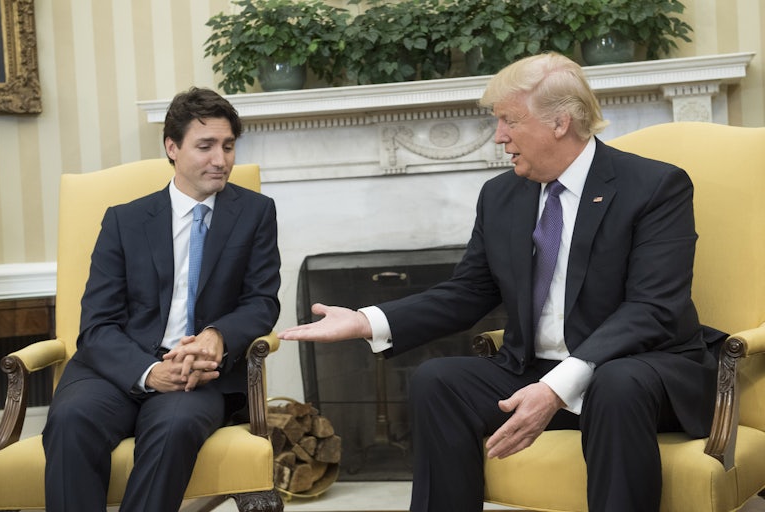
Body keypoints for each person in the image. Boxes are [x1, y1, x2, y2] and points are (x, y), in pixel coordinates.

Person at [280, 52, 720, 512]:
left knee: (615, 382)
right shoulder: (501, 195)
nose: (499, 136)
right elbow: (469, 291)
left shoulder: (654, 186)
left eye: (510, 120)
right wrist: (366, 321)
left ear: (560, 123)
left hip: (638, 370)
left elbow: (652, 308)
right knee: (438, 381)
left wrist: (556, 388)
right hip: (535, 368)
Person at [42, 87, 281, 512]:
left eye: (228, 146)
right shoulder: (124, 220)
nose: (221, 159)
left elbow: (262, 301)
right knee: (72, 418)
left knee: (174, 427)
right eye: (205, 146)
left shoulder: (256, 213)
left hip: (199, 375)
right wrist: (149, 372)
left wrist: (217, 336)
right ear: (172, 147)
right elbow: (97, 325)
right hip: (114, 371)